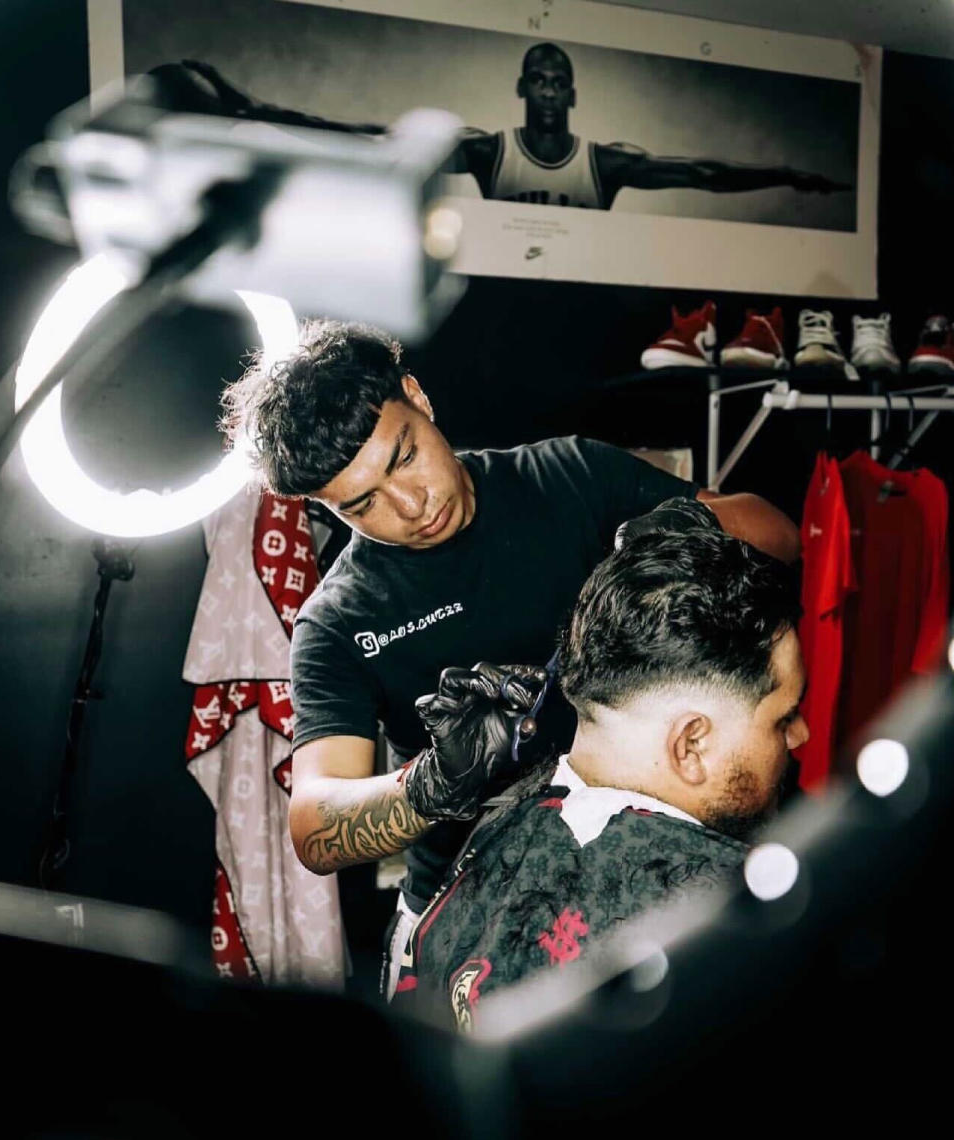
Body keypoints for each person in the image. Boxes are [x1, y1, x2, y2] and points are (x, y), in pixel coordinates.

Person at [219, 319, 800, 996]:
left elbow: (780, 535)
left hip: (646, 856)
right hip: (471, 903)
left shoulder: (567, 476)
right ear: (324, 506)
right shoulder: (339, 620)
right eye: (362, 503)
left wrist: (696, 527)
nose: (411, 505)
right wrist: (434, 783)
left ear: (418, 397)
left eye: (403, 456)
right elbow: (314, 828)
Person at [394, 511, 809, 1027]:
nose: (801, 736)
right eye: (783, 718)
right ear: (692, 745)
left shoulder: (503, 827)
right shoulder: (734, 928)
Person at [454, 41, 850, 209]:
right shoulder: (489, 151)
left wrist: (785, 174)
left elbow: (702, 174)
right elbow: (404, 145)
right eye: (539, 81)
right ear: (523, 87)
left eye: (559, 84)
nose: (549, 93)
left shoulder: (604, 162)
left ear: (572, 95)